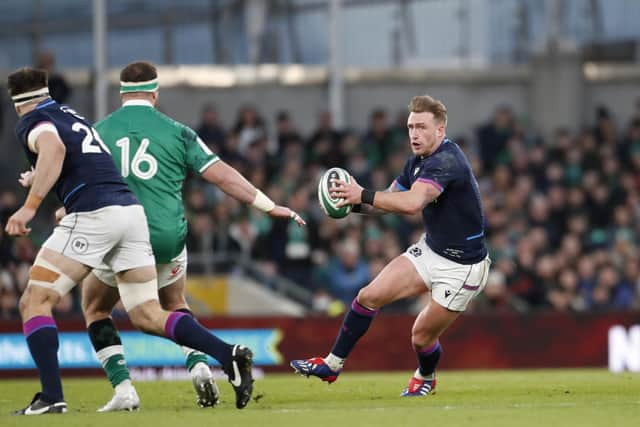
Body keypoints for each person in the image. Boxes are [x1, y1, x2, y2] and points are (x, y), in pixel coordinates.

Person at [4, 67, 254, 415]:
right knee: (149, 314)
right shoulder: (69, 114)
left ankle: (51, 397)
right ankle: (229, 354)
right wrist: (39, 174)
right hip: (131, 215)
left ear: (17, 103)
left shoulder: (32, 121)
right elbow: (79, 156)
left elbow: (53, 148)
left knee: (34, 300)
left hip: (94, 214)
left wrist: (29, 208)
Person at [69, 61, 304, 411]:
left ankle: (124, 388)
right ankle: (197, 366)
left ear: (121, 94)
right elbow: (222, 176)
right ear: (155, 93)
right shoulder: (178, 132)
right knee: (175, 303)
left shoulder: (97, 133)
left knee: (96, 305)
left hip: (122, 238)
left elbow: (75, 185)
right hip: (168, 238)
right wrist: (269, 206)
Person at [291, 95, 491, 396]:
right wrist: (350, 203)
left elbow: (412, 203)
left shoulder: (447, 160)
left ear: (440, 130)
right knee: (368, 295)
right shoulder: (417, 162)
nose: (414, 133)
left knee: (421, 338)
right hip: (432, 250)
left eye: (422, 127)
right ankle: (332, 364)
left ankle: (425, 376)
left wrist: (363, 194)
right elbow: (387, 200)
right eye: (411, 126)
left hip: (462, 268)